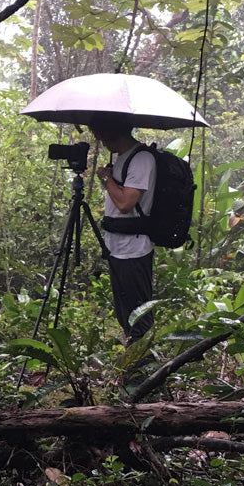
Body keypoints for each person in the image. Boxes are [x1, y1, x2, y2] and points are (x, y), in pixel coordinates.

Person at [90, 118, 157, 347]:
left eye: (101, 137)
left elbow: (125, 204)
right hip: (117, 248)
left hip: (133, 250)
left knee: (139, 315)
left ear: (111, 133)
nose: (102, 142)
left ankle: (144, 362)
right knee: (125, 313)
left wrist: (106, 178)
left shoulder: (141, 159)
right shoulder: (123, 158)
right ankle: (132, 356)